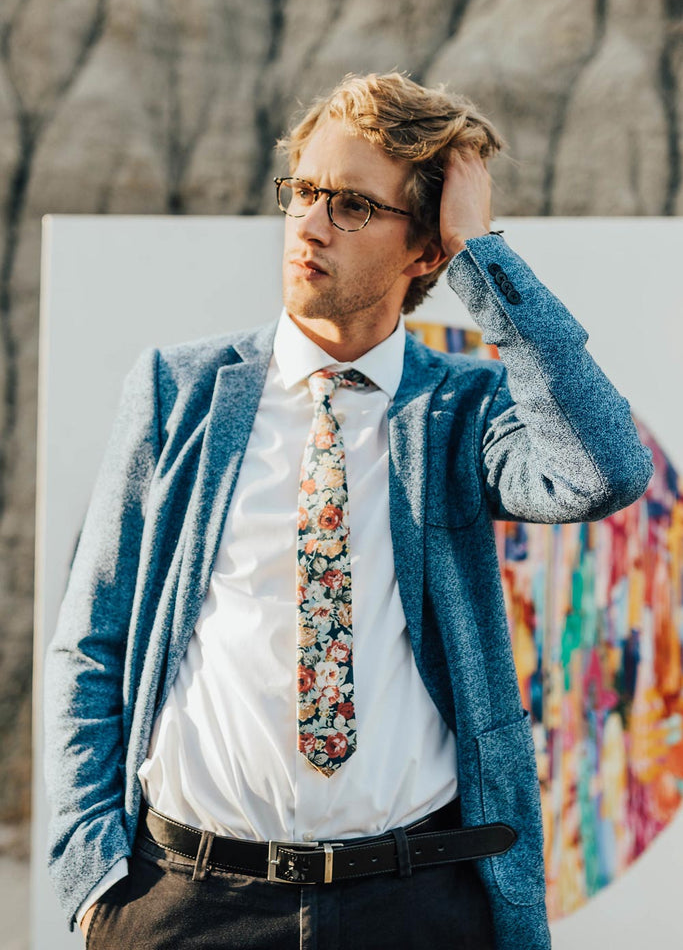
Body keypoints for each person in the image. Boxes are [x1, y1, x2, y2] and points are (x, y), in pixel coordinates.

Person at [44, 72, 652, 950]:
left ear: (425, 252)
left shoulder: (461, 411)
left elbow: (603, 469)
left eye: (354, 206)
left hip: (415, 905)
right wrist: (90, 874)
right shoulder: (178, 392)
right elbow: (91, 641)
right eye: (304, 190)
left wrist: (484, 253)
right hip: (185, 905)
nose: (311, 223)